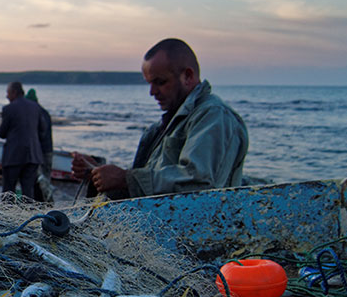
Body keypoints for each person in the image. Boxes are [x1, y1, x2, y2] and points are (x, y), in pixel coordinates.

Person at [72, 38, 248, 199]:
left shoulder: (214, 115)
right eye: (149, 83)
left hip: (196, 232)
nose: (152, 92)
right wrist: (98, 173)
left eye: (160, 82)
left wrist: (125, 179)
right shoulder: (165, 125)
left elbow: (198, 182)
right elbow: (150, 181)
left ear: (188, 76)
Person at [0, 80, 47, 200]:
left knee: (8, 191)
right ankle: (28, 215)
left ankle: (6, 215)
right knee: (28, 190)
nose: (7, 96)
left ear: (14, 92)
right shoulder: (36, 107)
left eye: (8, 93)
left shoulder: (9, 109)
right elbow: (43, 129)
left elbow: (1, 133)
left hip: (13, 155)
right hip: (33, 155)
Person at [26, 88, 55, 203]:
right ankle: (46, 202)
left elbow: (39, 134)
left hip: (41, 152)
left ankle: (48, 202)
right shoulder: (45, 112)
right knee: (45, 178)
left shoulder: (37, 113)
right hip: (48, 150)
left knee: (42, 180)